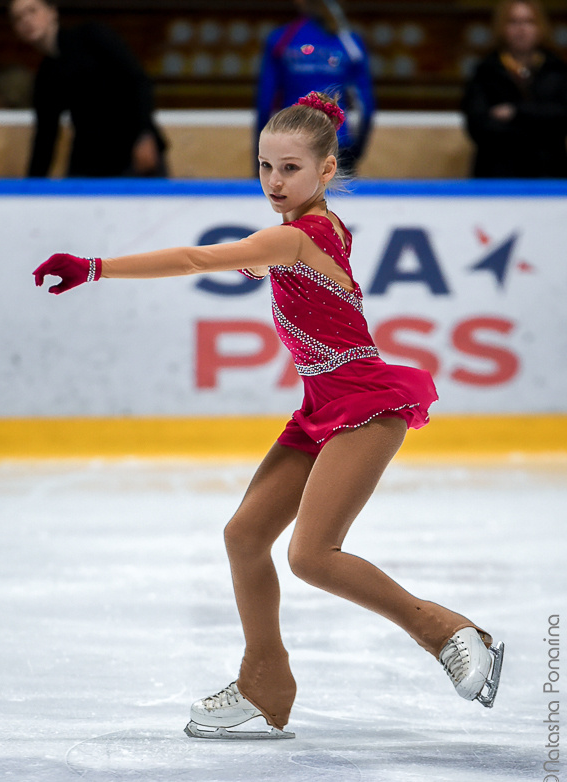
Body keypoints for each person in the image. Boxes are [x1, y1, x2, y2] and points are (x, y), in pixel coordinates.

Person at [33, 91, 504, 739]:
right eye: (265, 167)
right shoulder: (308, 232)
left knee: (311, 555)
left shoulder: (297, 235)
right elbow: (261, 258)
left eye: (290, 169)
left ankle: (448, 631)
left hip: (364, 402)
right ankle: (264, 680)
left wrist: (95, 267)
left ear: (326, 171)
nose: (275, 182)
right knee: (246, 536)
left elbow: (199, 259)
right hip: (320, 405)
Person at [9, 0, 168, 177]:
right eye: (18, 18)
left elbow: (138, 80)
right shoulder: (45, 76)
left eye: (32, 11)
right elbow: (45, 138)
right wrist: (31, 190)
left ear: (52, 12)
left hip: (134, 150)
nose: (26, 20)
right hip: (91, 160)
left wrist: (145, 135)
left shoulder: (91, 35)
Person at [256, 0, 375, 174]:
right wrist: (356, 152)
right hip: (336, 142)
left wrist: (261, 157)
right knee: (333, 200)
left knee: (291, 200)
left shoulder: (281, 38)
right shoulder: (349, 42)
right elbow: (365, 105)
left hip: (289, 141)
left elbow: (265, 103)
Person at [461, 0, 567, 178]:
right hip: (497, 175)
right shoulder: (486, 71)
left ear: (541, 27)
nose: (521, 29)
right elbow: (479, 126)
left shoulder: (556, 70)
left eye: (529, 22)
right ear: (501, 27)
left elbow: (561, 117)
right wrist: (539, 126)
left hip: (549, 176)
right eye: (513, 22)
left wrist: (516, 112)